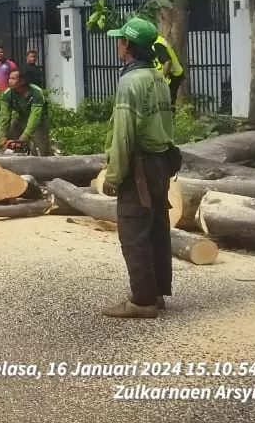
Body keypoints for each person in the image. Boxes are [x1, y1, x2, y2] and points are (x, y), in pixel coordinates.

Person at [101, 16, 179, 319]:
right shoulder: (158, 78)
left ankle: (143, 301)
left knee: (133, 232)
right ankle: (157, 292)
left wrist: (114, 175)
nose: (118, 44)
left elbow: (123, 133)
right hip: (160, 162)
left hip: (140, 167)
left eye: (120, 40)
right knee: (157, 228)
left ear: (128, 45)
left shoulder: (130, 82)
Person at [0, 69, 50, 156]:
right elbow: (5, 117)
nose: (9, 81)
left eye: (13, 78)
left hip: (39, 122)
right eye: (9, 78)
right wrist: (2, 136)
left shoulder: (36, 92)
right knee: (12, 133)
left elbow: (35, 116)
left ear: (22, 81)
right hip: (21, 118)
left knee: (43, 150)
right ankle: (17, 156)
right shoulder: (8, 94)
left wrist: (26, 135)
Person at [152, 34, 184, 105]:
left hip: (172, 75)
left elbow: (168, 62)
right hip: (171, 75)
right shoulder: (156, 40)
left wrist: (161, 80)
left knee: (166, 103)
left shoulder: (157, 44)